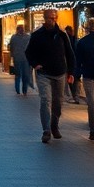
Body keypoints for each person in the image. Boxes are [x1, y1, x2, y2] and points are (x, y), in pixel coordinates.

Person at [25, 10, 76, 143]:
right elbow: (29, 52)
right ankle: (46, 130)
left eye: (53, 18)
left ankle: (54, 125)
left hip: (60, 73)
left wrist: (71, 72)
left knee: (58, 101)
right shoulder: (37, 35)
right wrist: (35, 64)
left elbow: (70, 54)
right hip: (44, 73)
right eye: (49, 18)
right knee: (46, 100)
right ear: (44, 18)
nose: (51, 21)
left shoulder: (62, 35)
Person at [8, 23, 32, 95]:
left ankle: (23, 90)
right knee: (20, 75)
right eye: (21, 28)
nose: (22, 30)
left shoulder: (27, 37)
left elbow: (10, 48)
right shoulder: (15, 37)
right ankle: (19, 90)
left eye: (22, 28)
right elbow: (11, 47)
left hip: (24, 59)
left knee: (24, 75)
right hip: (19, 59)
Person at [63, 25, 82, 103]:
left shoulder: (67, 41)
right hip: (74, 64)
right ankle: (75, 96)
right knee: (75, 80)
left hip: (71, 64)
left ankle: (74, 96)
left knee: (72, 80)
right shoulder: (76, 41)